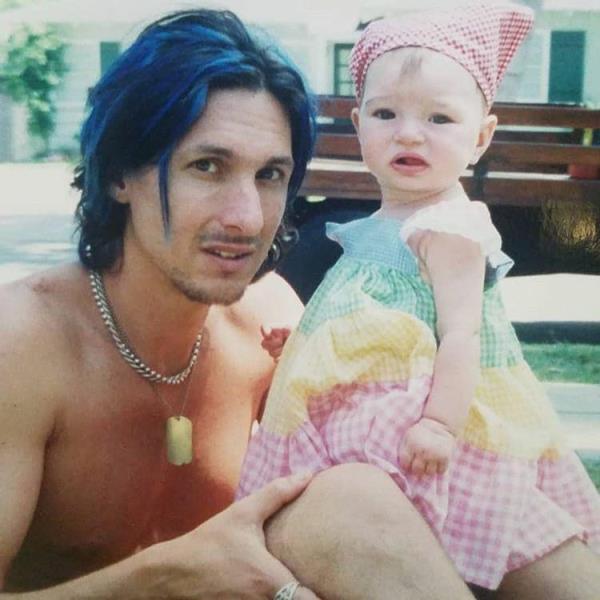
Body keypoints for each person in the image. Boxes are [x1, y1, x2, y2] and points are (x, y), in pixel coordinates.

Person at [0, 8, 488, 600]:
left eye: (270, 175)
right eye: (207, 166)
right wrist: (165, 577)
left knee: (350, 496)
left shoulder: (272, 321)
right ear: (118, 175)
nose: (247, 218)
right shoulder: (21, 345)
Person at [238, 2, 600, 597]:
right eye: (386, 113)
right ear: (359, 127)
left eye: (439, 118)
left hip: (435, 428)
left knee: (493, 547)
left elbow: (459, 334)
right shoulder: (377, 226)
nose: (409, 132)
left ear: (481, 136)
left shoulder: (449, 229)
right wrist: (305, 347)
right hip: (380, 431)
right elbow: (374, 327)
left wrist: (438, 424)